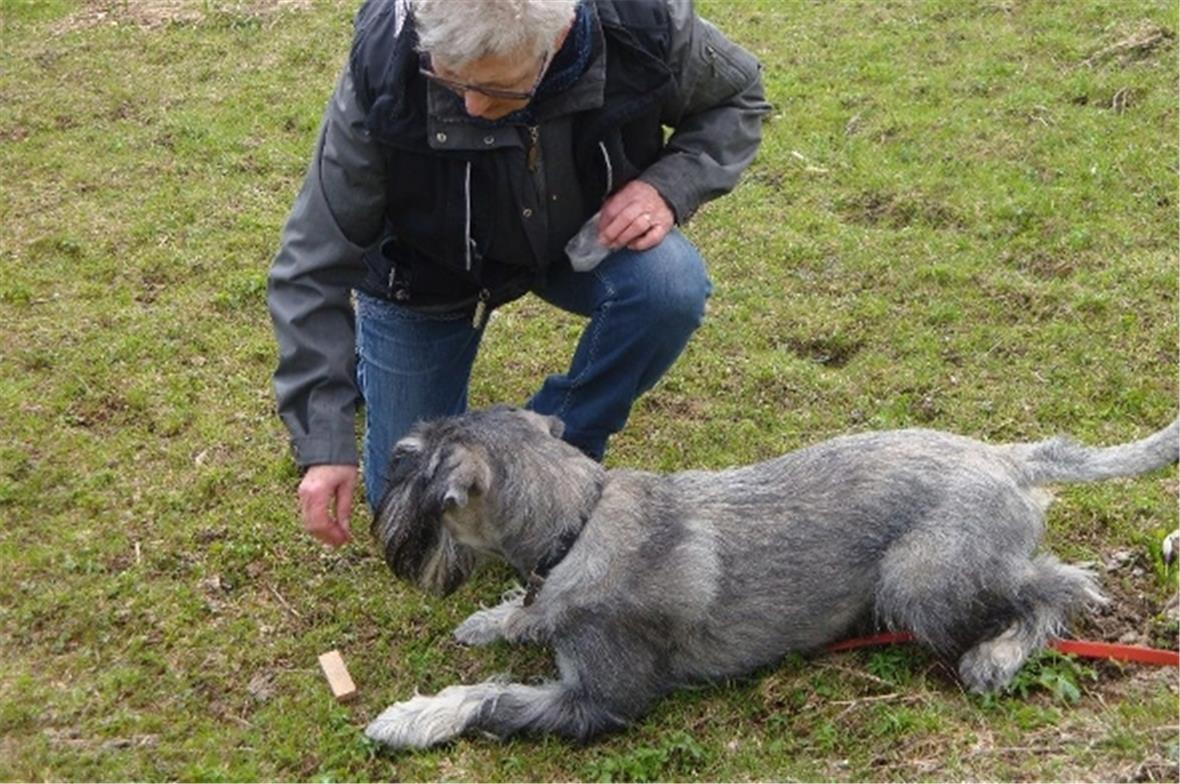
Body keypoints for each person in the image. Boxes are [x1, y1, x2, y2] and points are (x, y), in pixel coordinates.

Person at [267, 0, 769, 547]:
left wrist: (670, 185)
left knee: (669, 285)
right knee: (414, 512)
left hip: (573, 234)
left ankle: (559, 450)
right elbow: (311, 260)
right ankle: (375, 371)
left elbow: (738, 98)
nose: (474, 106)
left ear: (561, 35)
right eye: (452, 81)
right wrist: (325, 444)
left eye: (499, 90)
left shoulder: (642, 21)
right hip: (424, 273)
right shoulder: (386, 61)